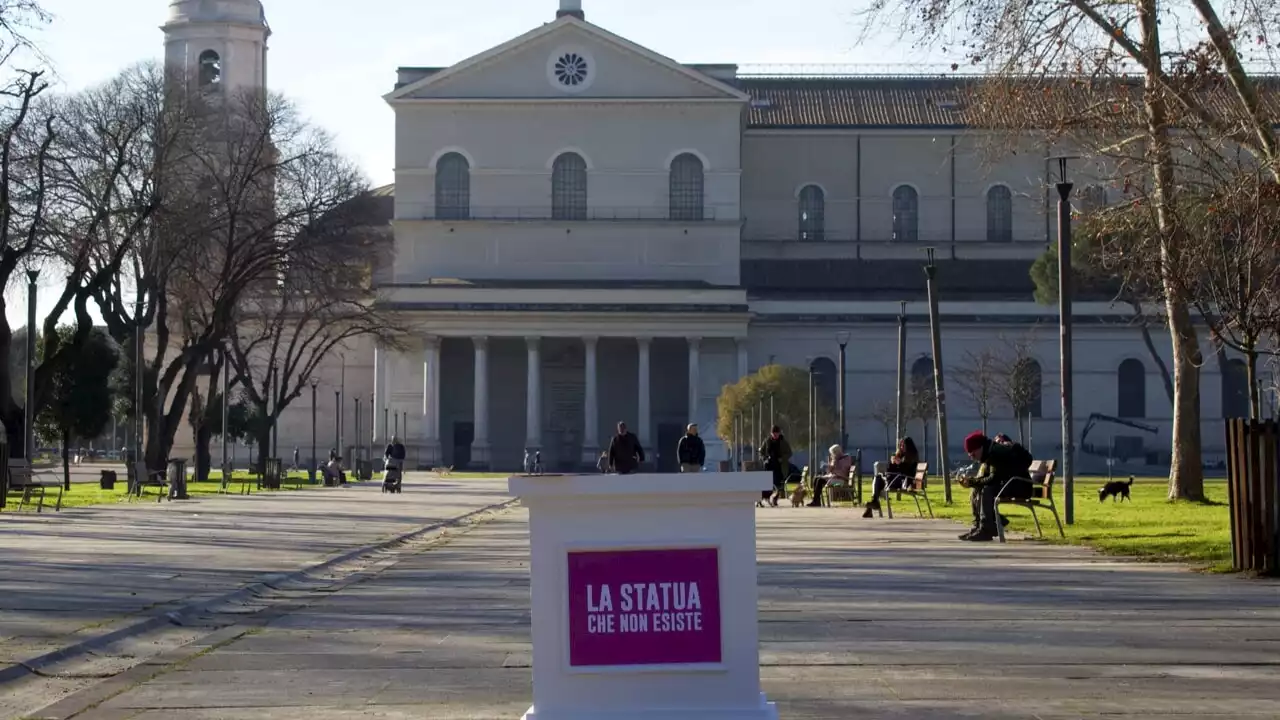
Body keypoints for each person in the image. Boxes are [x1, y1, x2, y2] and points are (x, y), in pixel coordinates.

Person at [957, 431, 1033, 541]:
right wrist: (972, 482)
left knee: (987, 490)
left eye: (973, 454)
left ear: (980, 448)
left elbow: (992, 479)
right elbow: (989, 478)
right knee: (977, 490)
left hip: (1020, 486)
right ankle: (979, 525)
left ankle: (986, 529)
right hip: (1010, 484)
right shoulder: (989, 452)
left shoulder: (995, 453)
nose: (972, 458)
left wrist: (972, 482)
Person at [863, 437, 920, 518]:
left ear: (909, 446)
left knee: (878, 479)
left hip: (903, 482)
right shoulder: (900, 456)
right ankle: (874, 502)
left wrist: (899, 463)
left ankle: (874, 503)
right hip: (896, 480)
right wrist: (893, 463)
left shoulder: (912, 457)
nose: (901, 447)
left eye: (903, 445)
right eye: (900, 445)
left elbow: (908, 472)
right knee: (878, 477)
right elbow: (891, 470)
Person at [758, 426, 792, 507]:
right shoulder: (767, 441)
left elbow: (789, 453)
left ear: (779, 433)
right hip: (769, 465)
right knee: (767, 484)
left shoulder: (783, 442)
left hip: (779, 466)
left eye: (777, 434)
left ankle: (775, 499)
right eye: (774, 434)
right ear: (771, 433)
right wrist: (764, 458)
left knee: (778, 484)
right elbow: (761, 452)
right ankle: (764, 498)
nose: (775, 435)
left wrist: (782, 458)